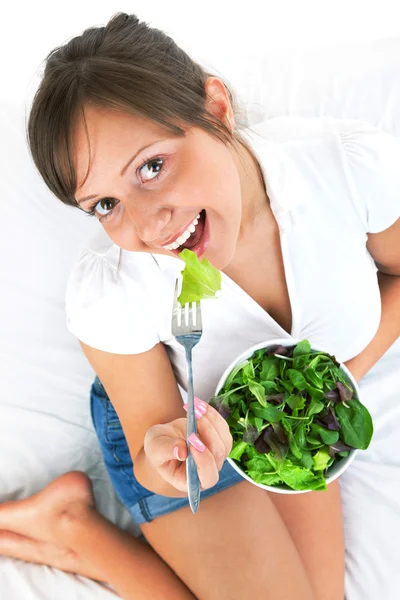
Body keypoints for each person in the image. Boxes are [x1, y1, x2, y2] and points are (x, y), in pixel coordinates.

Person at [1, 11, 399, 600]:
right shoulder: (112, 293)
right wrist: (167, 458)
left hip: (282, 416)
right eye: (105, 204)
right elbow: (148, 445)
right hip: (175, 413)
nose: (144, 225)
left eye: (152, 167)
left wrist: (330, 384)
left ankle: (74, 533)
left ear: (215, 107)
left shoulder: (346, 167)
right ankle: (72, 529)